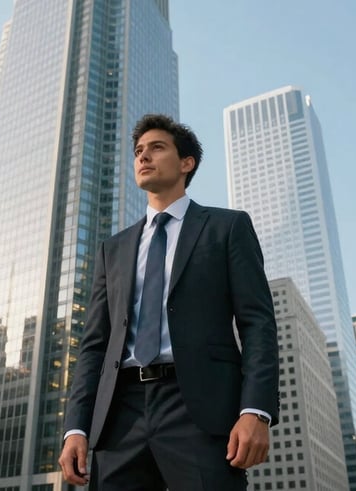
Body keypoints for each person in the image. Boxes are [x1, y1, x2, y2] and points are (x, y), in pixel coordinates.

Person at [59, 114, 279, 490]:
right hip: (119, 415)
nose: (144, 156)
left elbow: (257, 323)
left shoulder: (227, 228)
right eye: (139, 151)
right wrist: (75, 427)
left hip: (197, 407)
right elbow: (95, 344)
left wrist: (255, 411)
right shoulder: (113, 250)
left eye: (157, 148)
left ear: (186, 163)